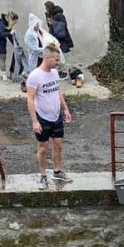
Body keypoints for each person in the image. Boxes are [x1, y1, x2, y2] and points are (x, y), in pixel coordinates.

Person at [27, 45, 73, 189]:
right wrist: (34, 121)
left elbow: (58, 92)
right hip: (42, 117)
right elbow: (30, 99)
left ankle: (57, 171)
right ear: (47, 58)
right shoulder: (35, 76)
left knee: (58, 144)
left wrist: (65, 109)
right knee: (43, 148)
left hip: (56, 115)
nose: (58, 63)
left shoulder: (54, 73)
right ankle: (42, 175)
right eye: (56, 60)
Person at [0, 11, 19, 81]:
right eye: (14, 22)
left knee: (2, 58)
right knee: (2, 57)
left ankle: (2, 73)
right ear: (11, 19)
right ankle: (4, 75)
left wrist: (16, 45)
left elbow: (9, 36)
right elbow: (1, 33)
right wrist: (10, 33)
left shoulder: (7, 23)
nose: (14, 24)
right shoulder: (2, 23)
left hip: (0, 41)